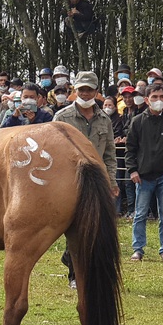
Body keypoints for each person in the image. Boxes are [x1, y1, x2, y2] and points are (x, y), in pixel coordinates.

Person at [54, 71, 117, 288]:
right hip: (69, 181)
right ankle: (74, 274)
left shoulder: (105, 120)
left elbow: (109, 154)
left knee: (94, 227)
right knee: (75, 229)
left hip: (97, 182)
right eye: (81, 89)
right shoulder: (61, 118)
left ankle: (82, 268)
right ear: (75, 90)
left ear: (97, 92)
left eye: (89, 89)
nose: (85, 93)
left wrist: (112, 181)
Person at [125, 85, 163, 262]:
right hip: (143, 176)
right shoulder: (137, 121)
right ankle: (138, 248)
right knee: (140, 213)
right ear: (147, 99)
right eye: (155, 96)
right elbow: (130, 149)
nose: (159, 100)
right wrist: (133, 170)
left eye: (161, 96)